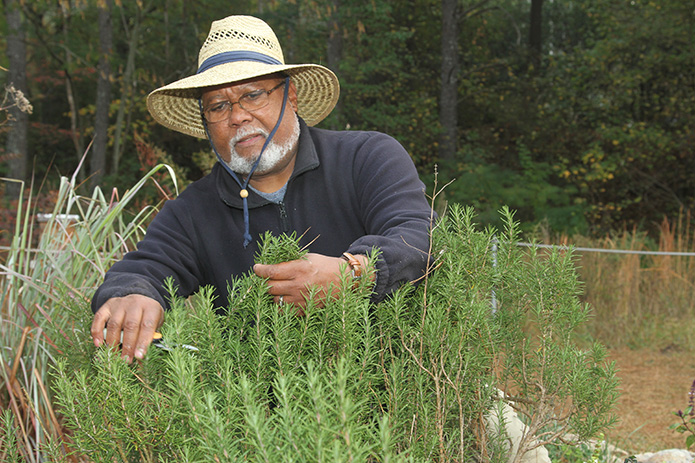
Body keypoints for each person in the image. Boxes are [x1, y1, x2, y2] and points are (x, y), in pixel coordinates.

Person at [90, 15, 433, 364]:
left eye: (253, 95)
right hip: (259, 411)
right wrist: (131, 295)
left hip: (392, 396)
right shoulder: (193, 211)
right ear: (207, 123)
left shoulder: (368, 157)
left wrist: (355, 273)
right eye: (218, 106)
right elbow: (144, 268)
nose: (237, 116)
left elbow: (420, 236)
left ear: (292, 97)